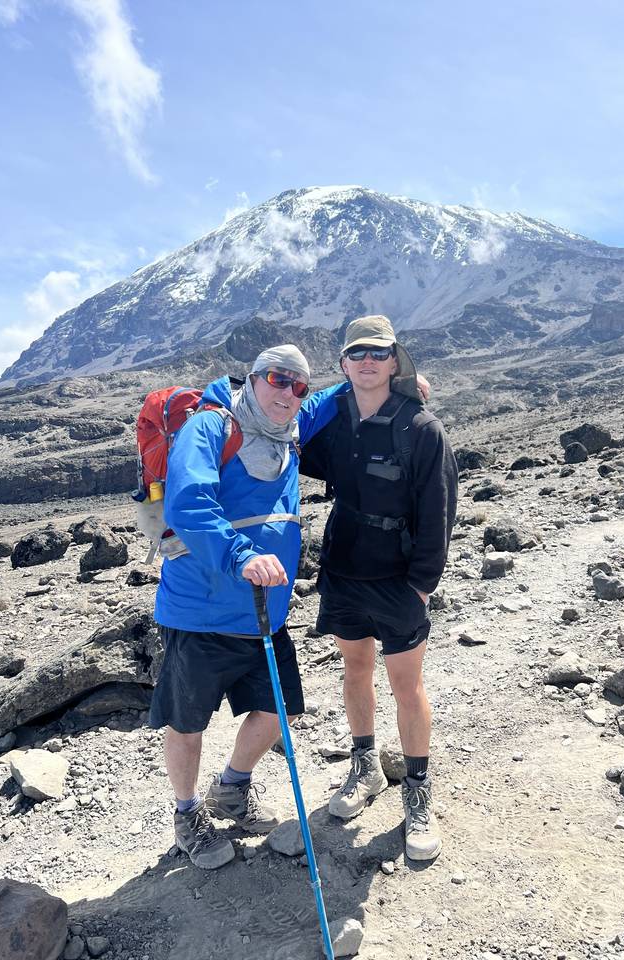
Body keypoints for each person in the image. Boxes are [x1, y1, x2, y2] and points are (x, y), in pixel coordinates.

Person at [149, 345, 348, 869]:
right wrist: (241, 556)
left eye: (298, 386)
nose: (290, 393)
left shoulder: (290, 424)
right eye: (279, 380)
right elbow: (188, 503)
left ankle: (231, 788)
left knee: (279, 710)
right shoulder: (211, 427)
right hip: (201, 612)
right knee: (187, 722)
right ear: (254, 378)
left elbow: (331, 397)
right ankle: (187, 814)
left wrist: (390, 380)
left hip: (264, 614)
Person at [299, 315, 458, 861]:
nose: (368, 361)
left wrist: (421, 587)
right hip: (343, 572)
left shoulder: (421, 428)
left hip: (398, 580)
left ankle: (417, 791)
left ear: (395, 361)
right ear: (344, 365)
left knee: (406, 686)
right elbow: (281, 433)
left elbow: (439, 511)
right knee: (355, 670)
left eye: (378, 353)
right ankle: (365, 767)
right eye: (357, 354)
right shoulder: (333, 424)